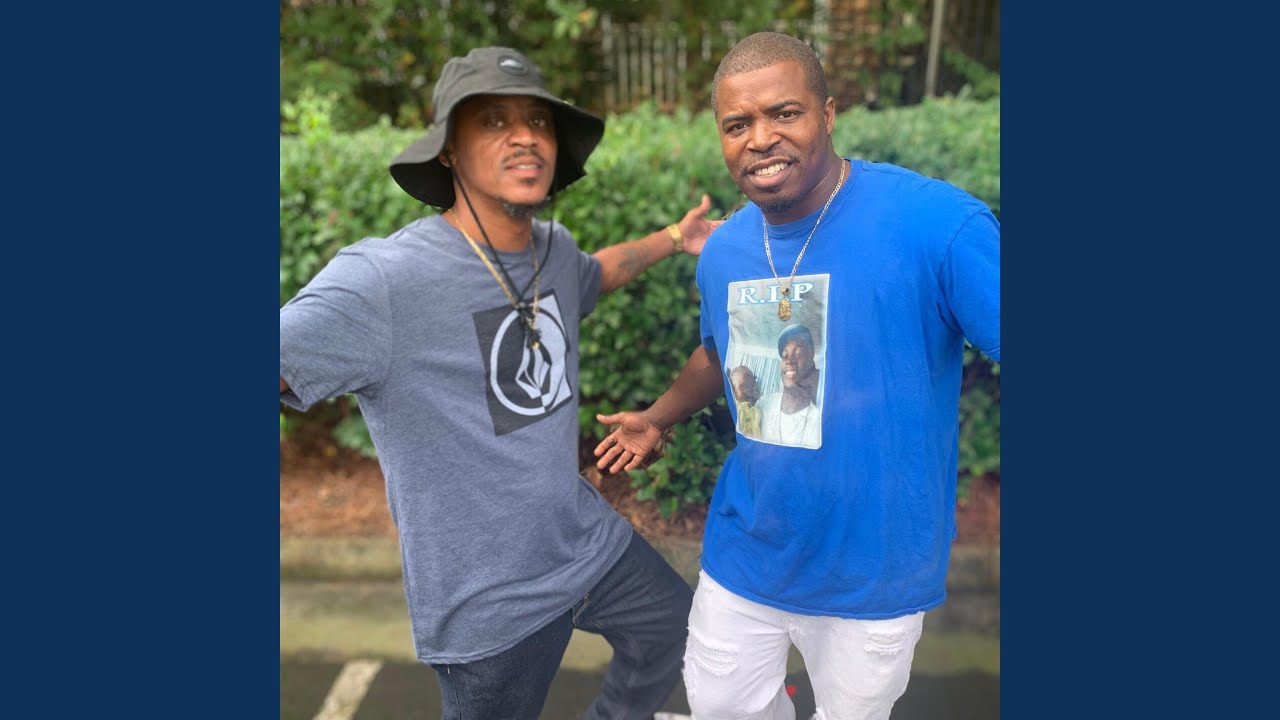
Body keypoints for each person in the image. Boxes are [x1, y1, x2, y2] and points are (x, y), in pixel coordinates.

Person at [280, 46, 721, 719]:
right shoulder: (384, 282)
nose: (525, 136)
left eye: (537, 121)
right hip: (488, 603)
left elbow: (599, 273)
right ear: (448, 151)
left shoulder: (553, 251)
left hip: (582, 545)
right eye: (492, 121)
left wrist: (672, 236)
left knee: (671, 630)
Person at [595, 31, 1000, 720]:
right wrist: (658, 418)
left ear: (828, 113)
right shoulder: (724, 249)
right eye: (737, 124)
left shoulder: (937, 224)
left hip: (873, 569)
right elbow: (719, 352)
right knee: (723, 708)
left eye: (784, 113)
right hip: (748, 549)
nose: (760, 139)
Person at [756, 323, 821, 448]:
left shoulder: (820, 416)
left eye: (798, 354)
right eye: (784, 355)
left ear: (811, 360)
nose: (789, 361)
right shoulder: (763, 405)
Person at [728, 364, 762, 437]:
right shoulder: (737, 409)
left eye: (753, 379)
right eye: (750, 379)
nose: (754, 383)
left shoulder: (754, 409)